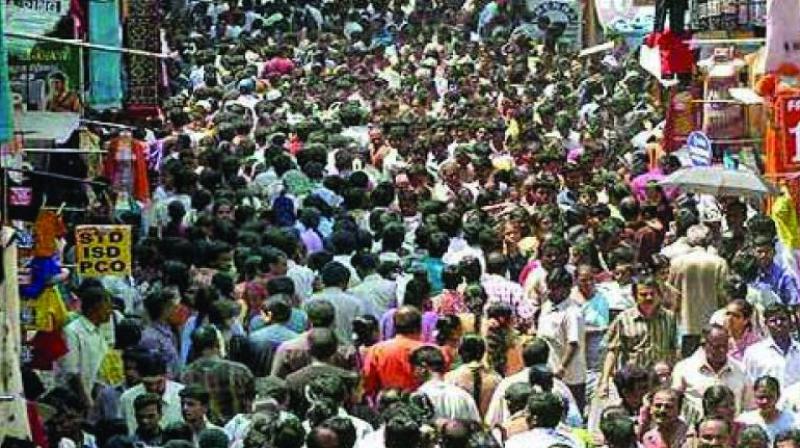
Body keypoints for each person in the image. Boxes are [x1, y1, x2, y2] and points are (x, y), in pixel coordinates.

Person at [599, 275, 678, 397]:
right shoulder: (623, 319)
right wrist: (604, 381)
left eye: (652, 294)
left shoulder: (669, 318)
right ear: (635, 296)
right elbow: (612, 351)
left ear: (659, 295)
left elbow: (675, 349)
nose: (649, 298)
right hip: (634, 381)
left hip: (660, 379)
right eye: (643, 294)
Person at [672, 324, 753, 425]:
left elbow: (749, 407)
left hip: (732, 431)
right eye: (716, 347)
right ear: (703, 345)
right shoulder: (684, 368)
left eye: (725, 346)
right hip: (694, 430)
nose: (722, 350)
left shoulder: (741, 370)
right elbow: (674, 401)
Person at [668, 224, 729, 355]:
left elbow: (673, 296)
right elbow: (723, 295)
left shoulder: (677, 262)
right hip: (712, 324)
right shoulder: (719, 263)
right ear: (709, 241)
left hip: (686, 325)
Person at [181, 324, 255, 425]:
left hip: (203, 429)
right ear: (217, 343)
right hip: (238, 428)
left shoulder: (185, 375)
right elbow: (251, 403)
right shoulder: (240, 371)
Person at [536, 267, 587, 412]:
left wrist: (562, 368)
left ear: (566, 289)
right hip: (548, 371)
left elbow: (573, 343)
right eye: (549, 287)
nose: (550, 292)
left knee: (572, 413)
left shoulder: (572, 313)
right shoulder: (547, 306)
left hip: (569, 377)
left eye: (554, 288)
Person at [58, 282, 113, 410]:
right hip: (79, 402)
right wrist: (87, 401)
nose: (110, 312)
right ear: (93, 309)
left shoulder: (100, 331)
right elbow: (72, 373)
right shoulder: (72, 331)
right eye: (107, 308)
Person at [362, 306, 425, 397]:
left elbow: (368, 384)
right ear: (419, 327)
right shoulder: (428, 351)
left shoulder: (377, 350)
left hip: (388, 402)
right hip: (420, 403)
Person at [119, 352, 184, 435]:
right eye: (148, 384)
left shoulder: (180, 395)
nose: (153, 388)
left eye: (159, 382)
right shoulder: (128, 398)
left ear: (166, 375)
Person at [306, 261, 373, 343]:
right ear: (344, 282)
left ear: (323, 279)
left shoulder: (310, 300)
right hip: (347, 347)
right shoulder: (355, 303)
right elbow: (360, 331)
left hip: (317, 347)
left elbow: (306, 328)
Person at [411, 345, 481, 421]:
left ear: (423, 367)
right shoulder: (465, 396)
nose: (413, 373)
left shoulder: (418, 397)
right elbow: (476, 424)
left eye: (414, 368)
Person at [742, 304, 800, 390]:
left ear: (790, 322)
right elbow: (748, 384)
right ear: (766, 324)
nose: (779, 323)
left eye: (783, 319)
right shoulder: (753, 353)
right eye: (773, 320)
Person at [445, 333, 502, 417]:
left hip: (462, 423)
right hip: (489, 423)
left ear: (460, 352)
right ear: (483, 352)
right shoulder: (496, 379)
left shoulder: (451, 378)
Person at [735, 376, 799, 444]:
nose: (765, 401)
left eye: (770, 397)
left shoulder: (794, 422)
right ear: (754, 395)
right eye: (761, 397)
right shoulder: (744, 421)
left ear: (778, 396)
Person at [504, 392, 581, 448]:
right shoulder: (575, 441)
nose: (523, 415)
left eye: (526, 412)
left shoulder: (516, 442)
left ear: (534, 419)